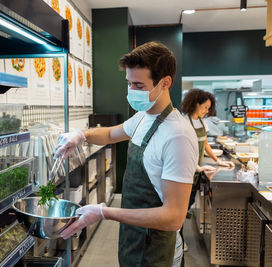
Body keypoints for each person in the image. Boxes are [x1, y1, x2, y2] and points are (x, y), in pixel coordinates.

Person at [56, 41, 198, 267]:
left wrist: (105, 213)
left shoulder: (178, 136)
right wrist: (80, 135)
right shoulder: (143, 116)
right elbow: (111, 134)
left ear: (165, 83)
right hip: (133, 238)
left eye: (139, 86)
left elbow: (173, 217)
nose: (132, 91)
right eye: (129, 84)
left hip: (158, 249)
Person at [180, 89, 234, 251]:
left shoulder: (201, 122)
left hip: (196, 172)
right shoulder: (184, 123)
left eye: (209, 108)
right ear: (195, 104)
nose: (207, 111)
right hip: (185, 172)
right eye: (205, 107)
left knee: (186, 207)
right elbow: (182, 150)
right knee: (181, 209)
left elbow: (205, 145)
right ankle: (178, 239)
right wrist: (197, 166)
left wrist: (219, 161)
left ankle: (177, 237)